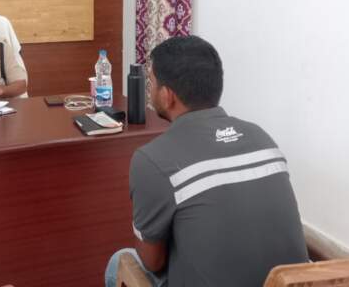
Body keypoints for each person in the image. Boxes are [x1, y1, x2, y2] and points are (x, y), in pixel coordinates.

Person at [105, 36, 308, 287]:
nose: (151, 89)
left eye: (152, 82)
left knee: (119, 261)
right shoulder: (261, 137)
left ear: (167, 96)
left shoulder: (151, 159)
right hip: (289, 282)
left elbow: (152, 262)